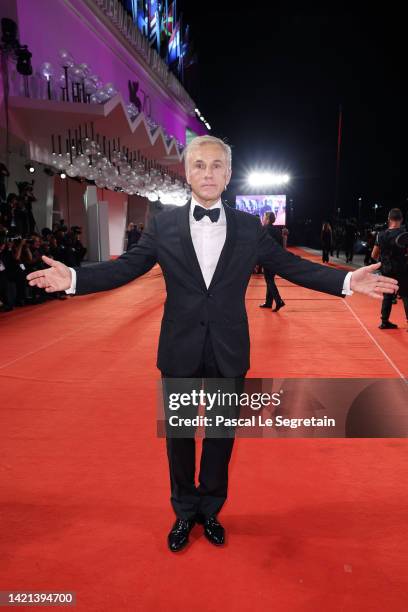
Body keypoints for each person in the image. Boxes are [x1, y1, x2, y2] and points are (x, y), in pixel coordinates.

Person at [26, 135, 398, 553]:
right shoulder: (163, 225)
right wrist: (74, 279)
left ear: (228, 174)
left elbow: (290, 266)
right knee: (180, 440)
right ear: (187, 173)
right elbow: (127, 268)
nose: (208, 173)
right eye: (200, 165)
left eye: (216, 165)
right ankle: (185, 511)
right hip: (180, 348)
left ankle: (212, 509)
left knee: (221, 438)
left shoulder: (246, 227)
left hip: (228, 348)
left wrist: (346, 280)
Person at [371, 208, 408, 330]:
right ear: (401, 220)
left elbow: (374, 255)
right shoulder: (405, 234)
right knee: (406, 295)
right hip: (402, 270)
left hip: (386, 270)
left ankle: (384, 322)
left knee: (387, 296)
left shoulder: (380, 235)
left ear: (389, 219)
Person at [259, 212, 286, 311]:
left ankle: (278, 301)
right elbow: (281, 245)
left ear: (267, 219)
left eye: (264, 217)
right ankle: (268, 302)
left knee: (269, 280)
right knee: (270, 280)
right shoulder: (277, 230)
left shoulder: (265, 229)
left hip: (268, 258)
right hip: (276, 258)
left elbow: (262, 245)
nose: (263, 218)